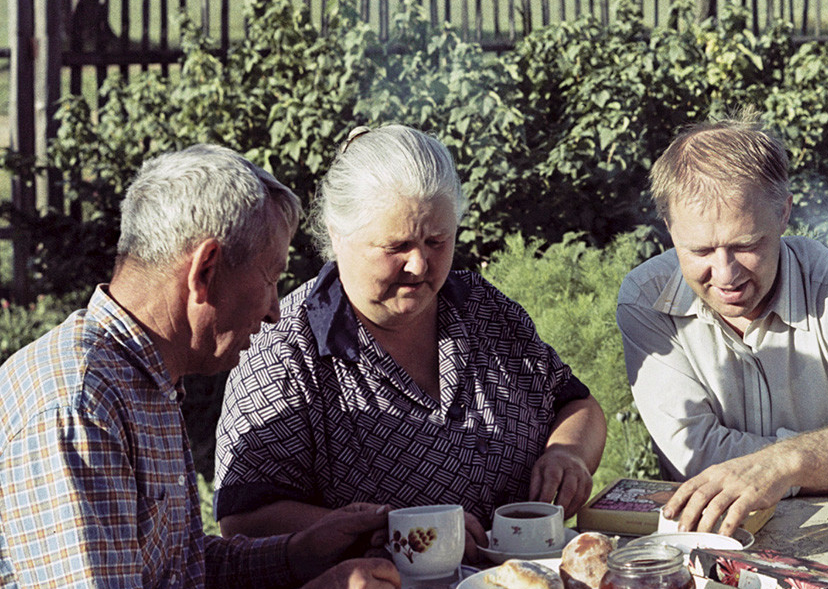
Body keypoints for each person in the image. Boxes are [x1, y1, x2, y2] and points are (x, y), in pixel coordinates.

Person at [0, 145, 402, 589]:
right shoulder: (77, 404)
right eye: (270, 277)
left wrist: (295, 555)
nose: (275, 309)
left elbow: (175, 574)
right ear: (206, 269)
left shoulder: (143, 376)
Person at [214, 124, 607, 559]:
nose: (419, 265)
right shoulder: (287, 350)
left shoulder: (482, 309)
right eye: (396, 246)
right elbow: (244, 518)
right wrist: (398, 529)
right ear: (337, 234)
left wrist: (568, 455)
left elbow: (577, 406)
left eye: (437, 241)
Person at [616, 117, 828, 536]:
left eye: (746, 245)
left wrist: (784, 466)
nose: (725, 274)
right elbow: (694, 453)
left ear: (783, 213)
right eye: (700, 250)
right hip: (718, 539)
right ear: (669, 227)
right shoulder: (646, 299)